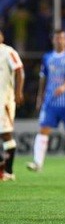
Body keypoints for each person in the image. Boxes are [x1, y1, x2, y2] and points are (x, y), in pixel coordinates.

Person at [27, 29, 65, 173]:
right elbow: (43, 78)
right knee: (43, 130)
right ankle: (37, 163)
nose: (59, 40)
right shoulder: (47, 57)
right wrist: (40, 97)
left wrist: (64, 87)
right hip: (50, 101)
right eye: (57, 38)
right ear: (53, 40)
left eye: (62, 38)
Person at [0, 30, 24, 181]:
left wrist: (18, 92)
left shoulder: (8, 52)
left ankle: (8, 171)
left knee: (6, 133)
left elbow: (19, 71)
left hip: (4, 101)